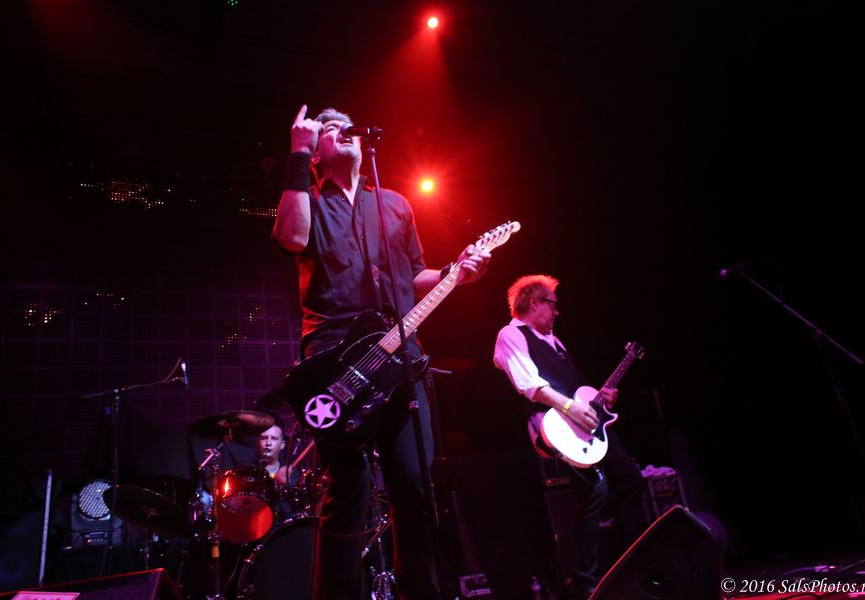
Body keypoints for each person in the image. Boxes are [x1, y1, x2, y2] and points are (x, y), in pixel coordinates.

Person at [272, 105, 491, 600]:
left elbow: (413, 276)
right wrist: (297, 152)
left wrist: (454, 272)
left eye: (346, 125)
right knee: (346, 487)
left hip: (399, 355)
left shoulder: (394, 203)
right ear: (317, 153)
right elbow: (291, 237)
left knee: (414, 483)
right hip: (335, 356)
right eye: (330, 129)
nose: (343, 132)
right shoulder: (307, 197)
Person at [492, 274, 647, 600]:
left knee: (630, 480)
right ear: (534, 303)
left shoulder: (555, 341)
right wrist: (570, 407)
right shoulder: (511, 334)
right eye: (553, 305)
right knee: (595, 490)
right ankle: (583, 584)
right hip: (556, 426)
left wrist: (599, 399)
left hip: (587, 424)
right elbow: (529, 385)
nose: (557, 312)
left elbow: (575, 390)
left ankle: (635, 568)